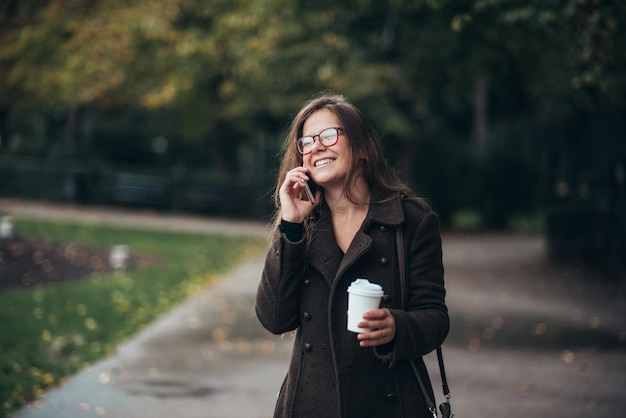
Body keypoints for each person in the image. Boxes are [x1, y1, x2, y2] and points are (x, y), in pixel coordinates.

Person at [256, 93, 449, 418]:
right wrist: (290, 225)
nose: (316, 146)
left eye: (328, 135)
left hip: (390, 403)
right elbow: (274, 318)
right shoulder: (303, 226)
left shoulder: (412, 220)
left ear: (361, 147)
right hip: (310, 405)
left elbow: (435, 317)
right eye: (306, 141)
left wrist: (397, 327)